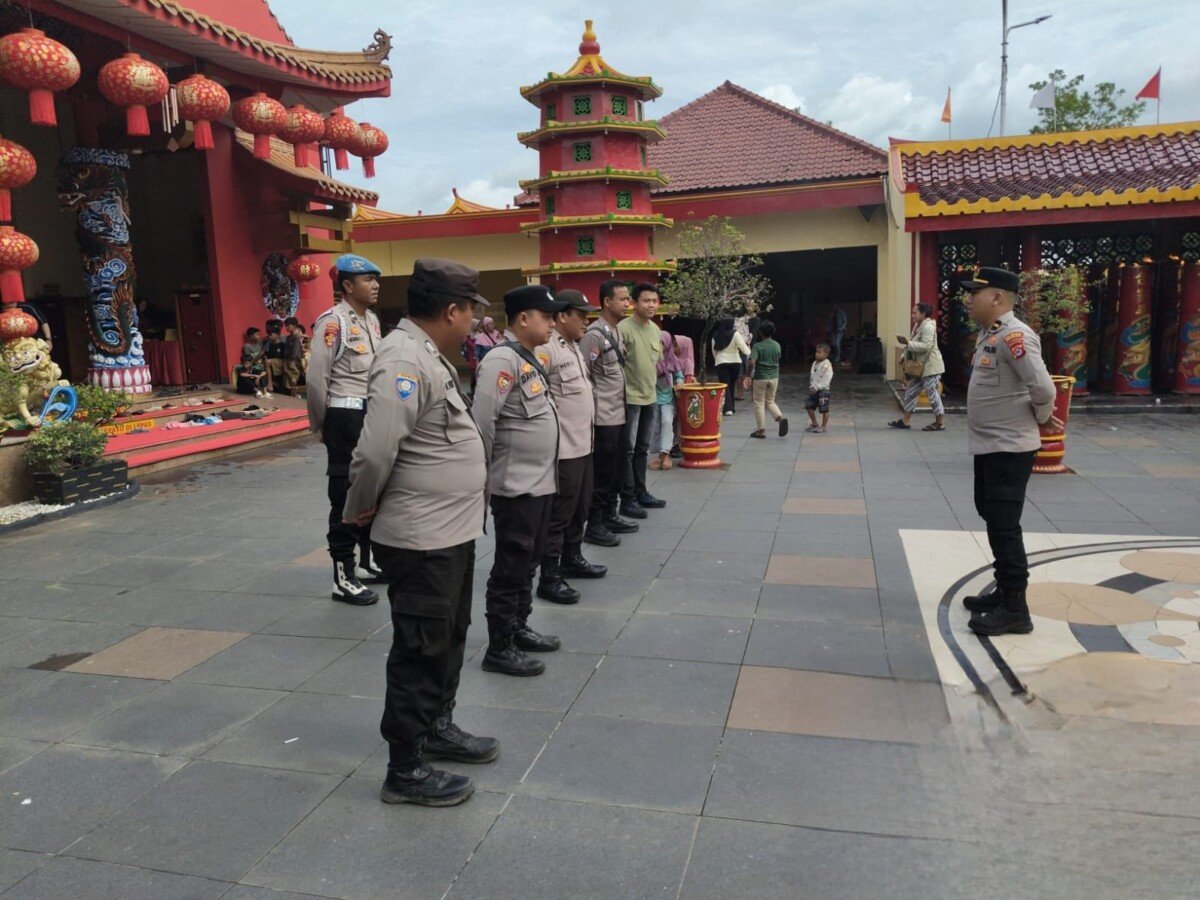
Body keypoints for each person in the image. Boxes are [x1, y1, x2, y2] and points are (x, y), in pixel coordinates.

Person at [343, 257, 495, 808]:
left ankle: (437, 727)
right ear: (451, 310)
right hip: (421, 536)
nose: (474, 323)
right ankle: (404, 768)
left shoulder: (428, 353)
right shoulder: (405, 357)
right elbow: (378, 447)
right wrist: (359, 509)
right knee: (419, 648)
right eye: (471, 313)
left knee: (449, 636)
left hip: (449, 531)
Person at [472, 284, 570, 676]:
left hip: (541, 483)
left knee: (529, 561)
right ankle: (499, 646)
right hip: (516, 486)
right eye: (546, 317)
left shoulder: (529, 358)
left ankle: (519, 627)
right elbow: (483, 423)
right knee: (511, 565)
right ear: (524, 318)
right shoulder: (500, 360)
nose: (552, 323)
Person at [958, 267, 1058, 637]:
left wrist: (1044, 419)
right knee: (990, 512)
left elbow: (1044, 388)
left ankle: (1016, 608)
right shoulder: (991, 334)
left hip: (1008, 448)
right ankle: (1004, 591)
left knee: (1004, 524)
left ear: (997, 298)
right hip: (990, 445)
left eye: (975, 294)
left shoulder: (1015, 336)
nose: (969, 299)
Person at [306, 254, 385, 606]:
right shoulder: (332, 323)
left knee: (371, 489)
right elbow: (317, 378)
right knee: (345, 495)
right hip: (344, 415)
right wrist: (321, 423)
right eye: (368, 279)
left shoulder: (372, 321)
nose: (376, 284)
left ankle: (367, 562)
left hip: (369, 416)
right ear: (348, 286)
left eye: (376, 279)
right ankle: (343, 576)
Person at [536, 289, 607, 605]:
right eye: (581, 315)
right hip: (563, 450)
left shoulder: (574, 347)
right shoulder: (546, 349)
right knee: (559, 515)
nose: (586, 321)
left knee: (580, 507)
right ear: (562, 315)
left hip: (584, 445)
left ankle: (572, 558)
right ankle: (550, 576)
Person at [580, 279, 638, 546]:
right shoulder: (594, 335)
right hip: (604, 417)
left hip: (619, 412)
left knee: (615, 470)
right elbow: (585, 375)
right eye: (622, 299)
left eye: (628, 299)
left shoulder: (614, 331)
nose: (627, 303)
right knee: (602, 473)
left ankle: (610, 515)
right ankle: (594, 524)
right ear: (606, 302)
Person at [617, 283, 668, 518]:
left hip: (650, 397)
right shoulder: (623, 329)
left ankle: (641, 492)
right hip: (629, 398)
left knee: (643, 449)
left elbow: (655, 361)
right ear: (633, 303)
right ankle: (626, 500)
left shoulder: (656, 330)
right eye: (646, 300)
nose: (651, 305)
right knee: (627, 450)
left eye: (654, 301)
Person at [889, 303, 946, 432]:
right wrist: (904, 354)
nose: (912, 315)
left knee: (932, 395)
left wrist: (908, 343)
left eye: (915, 312)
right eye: (912, 312)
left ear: (923, 313)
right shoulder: (917, 326)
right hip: (918, 368)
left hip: (930, 367)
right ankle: (905, 421)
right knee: (910, 393)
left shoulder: (928, 327)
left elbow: (925, 346)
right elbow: (913, 344)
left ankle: (940, 422)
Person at [743, 320, 787, 438]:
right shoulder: (777, 345)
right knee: (770, 401)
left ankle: (761, 430)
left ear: (760, 333)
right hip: (774, 377)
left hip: (761, 377)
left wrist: (748, 375)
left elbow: (752, 361)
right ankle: (780, 418)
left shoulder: (758, 346)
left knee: (759, 403)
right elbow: (778, 357)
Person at [648, 331, 683, 470]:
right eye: (657, 342)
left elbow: (679, 375)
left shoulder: (671, 359)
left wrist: (679, 383)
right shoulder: (650, 357)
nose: (659, 345)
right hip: (651, 397)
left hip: (667, 397)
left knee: (667, 422)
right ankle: (660, 456)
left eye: (662, 342)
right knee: (654, 427)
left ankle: (666, 452)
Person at [711, 317, 750, 416]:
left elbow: (714, 351)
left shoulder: (716, 335)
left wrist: (718, 359)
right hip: (735, 362)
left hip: (721, 362)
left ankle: (728, 408)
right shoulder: (735, 333)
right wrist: (750, 354)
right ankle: (731, 407)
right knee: (731, 384)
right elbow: (743, 347)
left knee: (725, 385)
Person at [805, 342, 834, 432]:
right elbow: (812, 376)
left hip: (823, 390)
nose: (816, 354)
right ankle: (814, 422)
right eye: (816, 352)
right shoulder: (814, 363)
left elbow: (827, 379)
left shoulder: (827, 365)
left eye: (819, 352)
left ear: (826, 354)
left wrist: (818, 387)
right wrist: (812, 387)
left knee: (824, 408)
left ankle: (824, 426)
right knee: (808, 405)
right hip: (813, 389)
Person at [239, 327, 272, 398]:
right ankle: (257, 391)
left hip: (260, 367)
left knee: (265, 370)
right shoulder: (247, 347)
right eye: (257, 334)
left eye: (259, 334)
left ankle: (266, 391)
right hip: (252, 368)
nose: (259, 336)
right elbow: (248, 361)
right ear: (251, 336)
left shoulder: (260, 345)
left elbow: (263, 357)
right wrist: (260, 354)